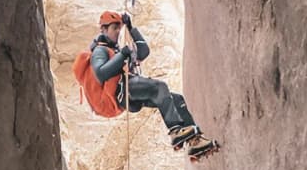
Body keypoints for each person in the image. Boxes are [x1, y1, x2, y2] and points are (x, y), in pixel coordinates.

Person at [89, 11, 220, 161]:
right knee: (160, 87)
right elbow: (100, 73)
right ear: (104, 30)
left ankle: (195, 142)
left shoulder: (118, 48)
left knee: (176, 99)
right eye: (114, 28)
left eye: (120, 28)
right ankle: (176, 130)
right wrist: (122, 54)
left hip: (131, 90)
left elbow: (144, 52)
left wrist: (131, 29)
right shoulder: (100, 51)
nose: (118, 31)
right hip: (124, 91)